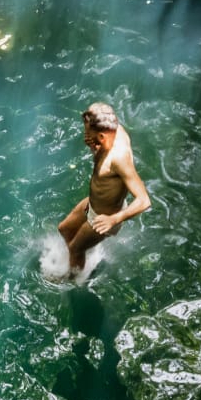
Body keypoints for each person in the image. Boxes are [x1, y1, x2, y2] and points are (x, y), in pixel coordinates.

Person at [56, 102, 152, 274]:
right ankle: (80, 252)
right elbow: (99, 107)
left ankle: (73, 281)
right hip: (92, 204)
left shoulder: (119, 159)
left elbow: (144, 200)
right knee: (63, 229)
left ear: (101, 136)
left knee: (76, 249)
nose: (87, 137)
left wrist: (114, 220)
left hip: (104, 218)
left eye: (89, 135)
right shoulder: (113, 130)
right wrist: (93, 145)